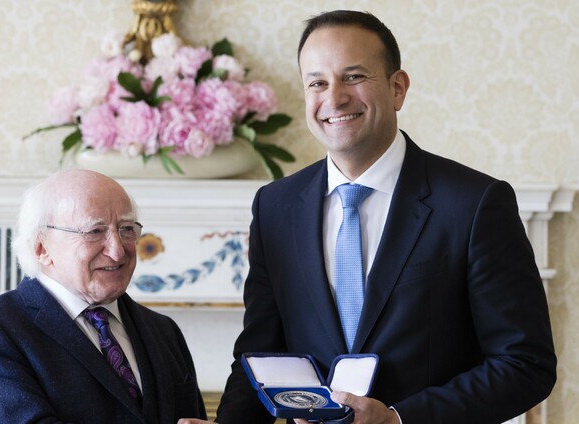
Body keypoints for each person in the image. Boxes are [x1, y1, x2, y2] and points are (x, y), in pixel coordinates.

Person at [178, 9, 557, 424]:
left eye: (354, 76)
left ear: (398, 88)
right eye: (317, 83)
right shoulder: (275, 207)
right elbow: (260, 354)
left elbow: (525, 364)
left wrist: (398, 419)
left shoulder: (475, 203)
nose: (334, 98)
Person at [0, 169, 207, 423]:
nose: (118, 251)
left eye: (127, 228)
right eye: (94, 231)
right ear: (42, 248)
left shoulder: (164, 330)